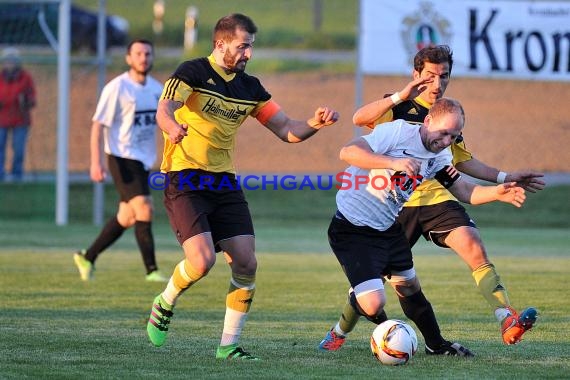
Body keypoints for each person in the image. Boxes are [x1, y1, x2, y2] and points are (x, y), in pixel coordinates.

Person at [319, 45, 542, 353]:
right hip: (375, 216)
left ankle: (482, 326)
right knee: (372, 292)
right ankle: (349, 331)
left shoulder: (445, 141)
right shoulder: (398, 123)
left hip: (415, 210)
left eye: (445, 76)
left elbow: (463, 182)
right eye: (431, 76)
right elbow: (354, 133)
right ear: (418, 76)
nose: (438, 84)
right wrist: (399, 105)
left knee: (438, 267)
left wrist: (501, 187)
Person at [145, 13, 339, 360]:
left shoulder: (250, 88)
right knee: (202, 261)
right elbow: (163, 109)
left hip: (225, 183)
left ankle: (228, 346)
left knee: (246, 263)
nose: (248, 53)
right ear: (221, 44)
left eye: (251, 46)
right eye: (243, 46)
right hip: (186, 177)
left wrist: (315, 123)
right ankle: (165, 301)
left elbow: (286, 130)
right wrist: (172, 127)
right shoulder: (191, 72)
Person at [73, 39, 168, 283]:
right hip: (121, 157)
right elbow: (98, 126)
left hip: (143, 160)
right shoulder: (117, 88)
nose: (143, 58)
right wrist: (96, 162)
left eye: (147, 53)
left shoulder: (157, 89)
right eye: (138, 53)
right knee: (145, 208)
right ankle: (152, 271)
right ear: (128, 58)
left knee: (127, 216)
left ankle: (88, 256)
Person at [0, 47, 36, 182]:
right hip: (1, 119)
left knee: (19, 148)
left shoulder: (25, 78)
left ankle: (16, 175)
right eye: (7, 61)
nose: (9, 64)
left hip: (20, 120)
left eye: (12, 61)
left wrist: (25, 101)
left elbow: (32, 98)